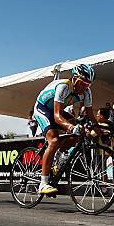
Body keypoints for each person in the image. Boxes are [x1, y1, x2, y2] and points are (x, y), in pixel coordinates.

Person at [32, 63, 97, 194]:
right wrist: (71, 127)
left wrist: (101, 129)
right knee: (54, 140)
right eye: (83, 83)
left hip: (58, 111)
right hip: (43, 109)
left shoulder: (87, 92)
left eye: (88, 85)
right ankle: (43, 184)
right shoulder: (63, 87)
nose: (85, 87)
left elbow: (90, 115)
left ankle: (59, 158)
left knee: (77, 134)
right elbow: (57, 116)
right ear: (75, 79)